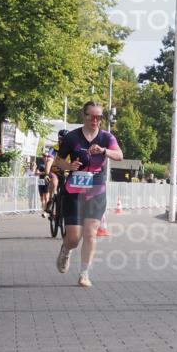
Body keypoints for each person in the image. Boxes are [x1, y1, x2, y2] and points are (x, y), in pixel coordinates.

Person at [52, 101, 123, 288]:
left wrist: (104, 151)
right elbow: (58, 160)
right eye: (91, 116)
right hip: (74, 190)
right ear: (84, 116)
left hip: (96, 189)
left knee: (91, 234)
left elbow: (119, 155)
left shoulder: (107, 137)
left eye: (99, 117)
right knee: (74, 237)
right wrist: (69, 166)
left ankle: (84, 274)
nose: (95, 120)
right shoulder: (72, 137)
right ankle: (66, 249)